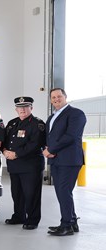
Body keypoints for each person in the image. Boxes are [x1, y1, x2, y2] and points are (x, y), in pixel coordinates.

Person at [44, 88, 86, 236]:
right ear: (50, 100)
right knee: (63, 192)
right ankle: (72, 222)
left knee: (63, 191)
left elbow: (71, 136)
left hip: (69, 160)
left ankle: (66, 225)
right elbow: (48, 136)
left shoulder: (76, 114)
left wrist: (51, 149)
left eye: (59, 96)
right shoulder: (52, 117)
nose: (56, 99)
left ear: (65, 97)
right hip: (56, 160)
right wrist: (45, 148)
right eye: (53, 97)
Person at [3, 97, 46, 230]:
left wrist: (16, 154)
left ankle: (32, 220)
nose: (22, 109)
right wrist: (4, 150)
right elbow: (4, 140)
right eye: (19, 107)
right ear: (16, 109)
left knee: (31, 194)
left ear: (31, 108)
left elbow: (35, 144)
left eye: (25, 107)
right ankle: (18, 216)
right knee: (17, 193)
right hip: (14, 166)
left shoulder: (37, 124)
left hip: (30, 166)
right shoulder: (12, 123)